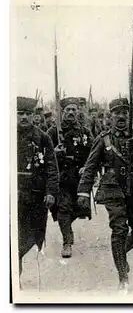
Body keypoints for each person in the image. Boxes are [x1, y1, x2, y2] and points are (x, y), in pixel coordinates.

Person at [76, 98, 133, 294]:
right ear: (109, 117)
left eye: (125, 113)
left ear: (130, 116)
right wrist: (83, 192)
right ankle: (123, 275)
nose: (121, 116)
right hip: (114, 189)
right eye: (117, 113)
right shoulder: (104, 139)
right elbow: (90, 167)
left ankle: (120, 254)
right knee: (119, 230)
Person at [16, 97, 59, 281]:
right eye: (20, 114)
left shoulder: (43, 137)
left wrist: (51, 192)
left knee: (35, 235)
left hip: (36, 196)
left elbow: (51, 167)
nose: (24, 117)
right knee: (14, 237)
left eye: (28, 113)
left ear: (34, 116)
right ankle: (13, 278)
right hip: (14, 195)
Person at [47, 97, 94, 258]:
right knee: (63, 208)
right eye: (68, 110)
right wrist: (55, 151)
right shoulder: (54, 132)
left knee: (78, 209)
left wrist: (86, 167)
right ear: (62, 112)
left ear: (78, 111)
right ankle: (67, 241)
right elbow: (42, 153)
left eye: (74, 109)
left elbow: (93, 154)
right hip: (62, 177)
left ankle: (67, 228)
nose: (71, 112)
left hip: (79, 178)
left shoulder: (85, 131)